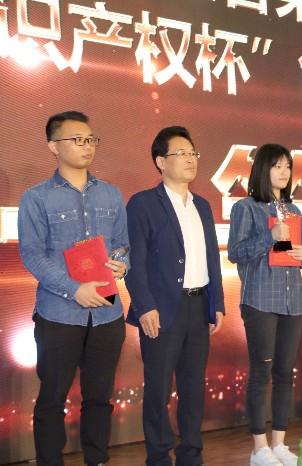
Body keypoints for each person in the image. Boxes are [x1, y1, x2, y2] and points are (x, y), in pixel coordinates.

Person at [18, 110, 128, 466]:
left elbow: (123, 244)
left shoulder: (111, 194)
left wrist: (122, 262)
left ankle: (97, 459)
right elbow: (33, 254)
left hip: (107, 313)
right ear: (53, 146)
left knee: (99, 398)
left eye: (91, 139)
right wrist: (73, 289)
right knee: (52, 399)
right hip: (59, 315)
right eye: (77, 140)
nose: (86, 146)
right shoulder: (37, 197)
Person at [125, 126, 225, 466]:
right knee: (158, 388)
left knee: (193, 387)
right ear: (160, 161)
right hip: (161, 308)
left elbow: (212, 259)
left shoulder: (203, 206)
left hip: (198, 306)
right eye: (180, 153)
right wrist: (144, 307)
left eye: (192, 153)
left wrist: (217, 303)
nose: (189, 159)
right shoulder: (143, 204)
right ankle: (158, 456)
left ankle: (191, 454)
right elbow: (134, 262)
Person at [228, 144, 302, 466]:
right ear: (262, 169)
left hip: (292, 300)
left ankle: (279, 444)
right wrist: (269, 236)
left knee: (285, 372)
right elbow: (235, 252)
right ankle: (258, 447)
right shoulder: (246, 208)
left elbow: (296, 254)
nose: (284, 172)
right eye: (277, 166)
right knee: (261, 372)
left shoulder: (294, 209)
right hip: (260, 299)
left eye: (288, 166)